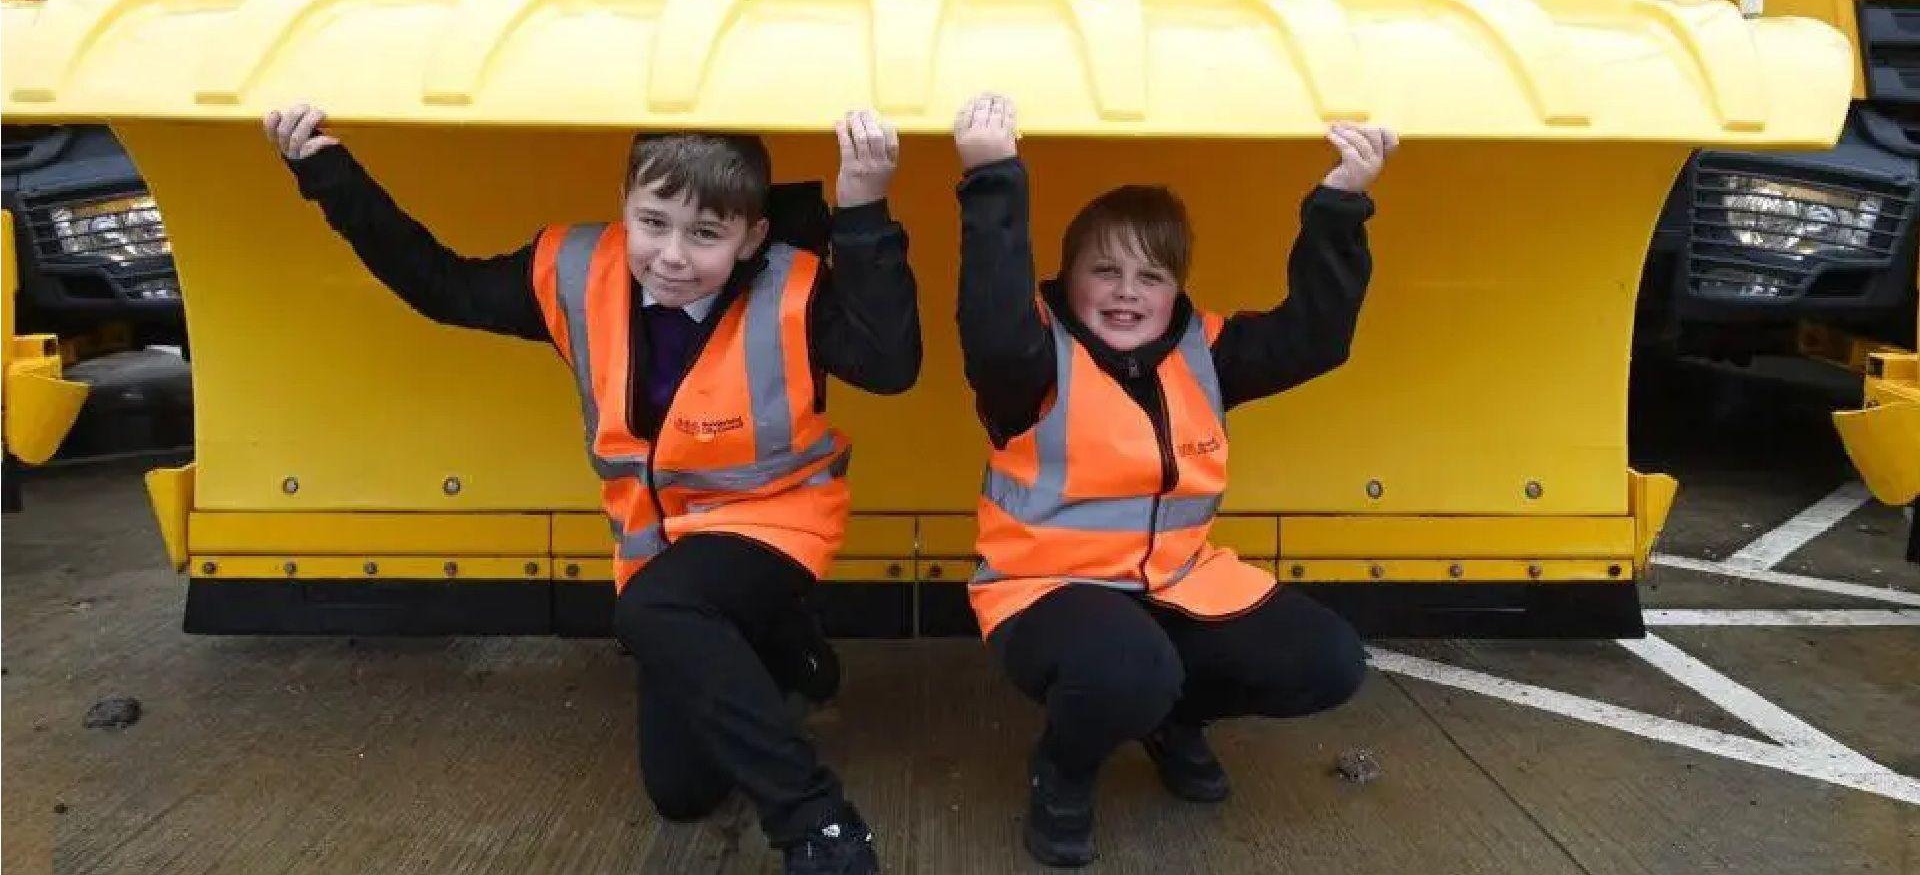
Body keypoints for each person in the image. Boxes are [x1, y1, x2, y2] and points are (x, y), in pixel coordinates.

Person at [264, 103, 921, 875]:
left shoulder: (794, 284)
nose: (673, 256)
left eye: (705, 234)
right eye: (654, 222)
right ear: (625, 207)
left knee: (653, 609)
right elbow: (439, 285)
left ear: (751, 236)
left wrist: (865, 206)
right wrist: (325, 172)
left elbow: (890, 364)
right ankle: (781, 645)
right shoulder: (576, 271)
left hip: (775, 520)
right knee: (681, 791)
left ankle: (817, 820)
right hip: (660, 544)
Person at [948, 92, 1392, 867]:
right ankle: (1063, 773)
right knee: (1131, 668)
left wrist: (1341, 205)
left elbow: (1316, 337)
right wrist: (994, 178)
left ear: (1176, 288)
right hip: (1044, 595)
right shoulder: (1028, 357)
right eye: (1105, 271)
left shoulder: (1207, 350)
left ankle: (1171, 719)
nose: (1126, 291)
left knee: (1328, 662)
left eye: (1150, 276)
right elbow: (987, 319)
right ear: (1069, 277)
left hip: (1180, 586)